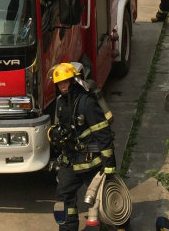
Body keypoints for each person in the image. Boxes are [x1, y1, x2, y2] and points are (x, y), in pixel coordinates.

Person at [47, 63, 116, 231]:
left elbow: (103, 133)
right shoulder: (60, 102)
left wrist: (109, 164)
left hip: (91, 163)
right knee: (63, 197)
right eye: (59, 84)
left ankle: (119, 223)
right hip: (70, 160)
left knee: (104, 198)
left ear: (73, 81)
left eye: (65, 82)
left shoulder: (87, 103)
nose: (62, 86)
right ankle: (67, 228)